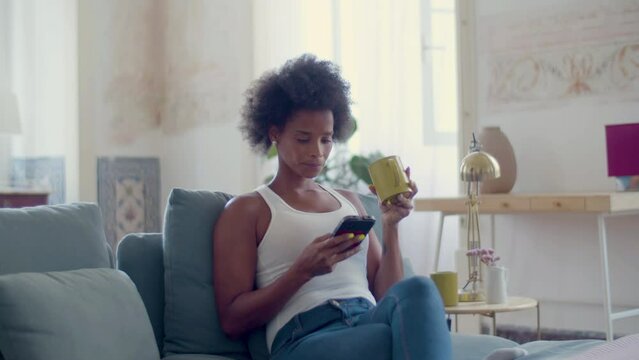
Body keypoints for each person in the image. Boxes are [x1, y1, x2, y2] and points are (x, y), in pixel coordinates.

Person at [213, 54, 452, 360]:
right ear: (275, 134)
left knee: (418, 289)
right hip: (305, 336)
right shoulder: (247, 210)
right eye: (303, 139)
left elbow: (385, 294)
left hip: (367, 318)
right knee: (386, 337)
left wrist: (390, 225)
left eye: (326, 140)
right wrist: (301, 271)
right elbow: (232, 320)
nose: (317, 152)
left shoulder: (349, 202)